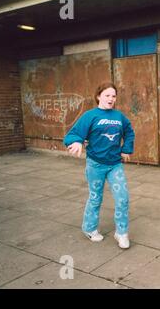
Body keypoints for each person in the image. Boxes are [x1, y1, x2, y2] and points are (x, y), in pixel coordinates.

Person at [63, 82, 135, 249]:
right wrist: (77, 142)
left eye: (113, 96)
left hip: (115, 165)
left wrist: (126, 148)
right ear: (98, 97)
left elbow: (129, 132)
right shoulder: (90, 116)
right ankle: (89, 228)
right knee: (96, 198)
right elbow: (73, 134)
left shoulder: (119, 117)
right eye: (107, 95)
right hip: (95, 165)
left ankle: (122, 233)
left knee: (123, 198)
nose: (111, 99)